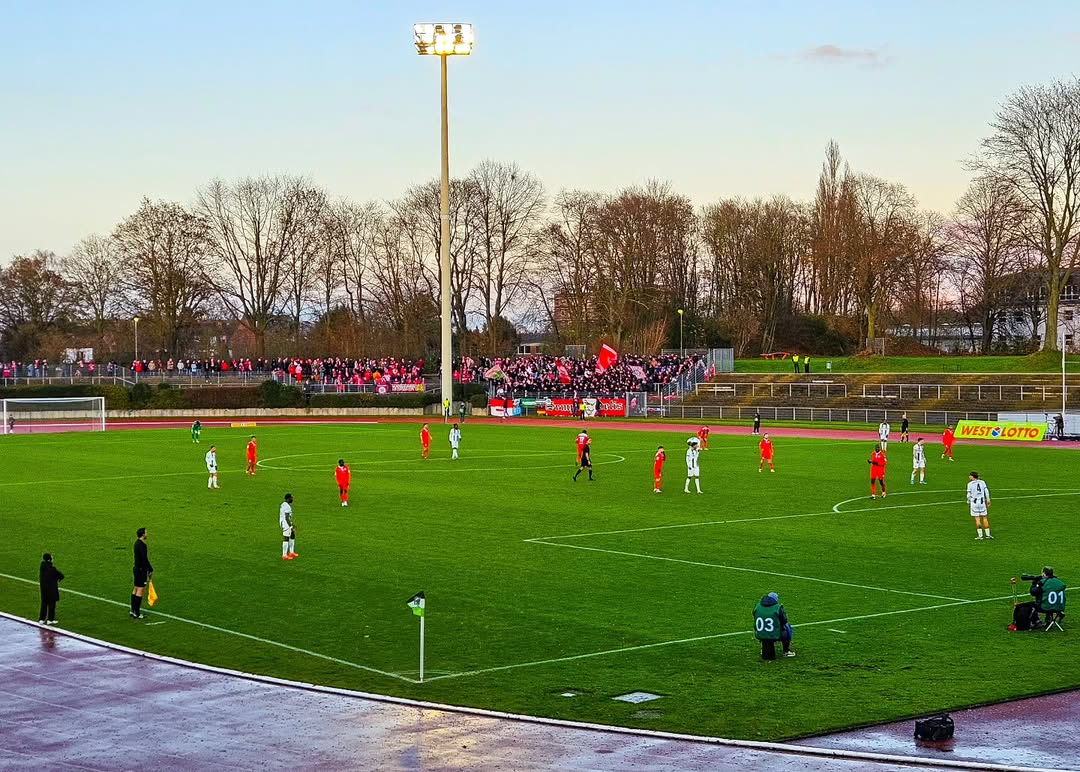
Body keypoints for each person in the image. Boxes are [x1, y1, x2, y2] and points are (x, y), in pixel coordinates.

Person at [753, 591, 795, 660]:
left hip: (760, 634)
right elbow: (784, 621)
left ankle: (763, 648)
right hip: (774, 634)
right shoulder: (777, 608)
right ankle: (786, 651)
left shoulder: (758, 606)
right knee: (787, 628)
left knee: (763, 631)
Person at [131, 527, 152, 619]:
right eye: (146, 533)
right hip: (141, 570)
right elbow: (144, 559)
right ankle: (137, 612)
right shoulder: (142, 545)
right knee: (140, 590)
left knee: (135, 588)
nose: (147, 534)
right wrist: (150, 569)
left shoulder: (136, 543)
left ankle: (133, 610)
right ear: (143, 534)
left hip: (136, 568)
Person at [38, 553, 64, 625]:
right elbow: (61, 575)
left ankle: (41, 619)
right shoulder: (52, 569)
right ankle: (50, 619)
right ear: (49, 559)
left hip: (43, 589)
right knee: (52, 604)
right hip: (51, 589)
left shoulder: (42, 566)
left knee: (44, 603)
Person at [967, 471, 992, 539]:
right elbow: (986, 491)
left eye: (970, 475)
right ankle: (988, 535)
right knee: (984, 517)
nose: (969, 477)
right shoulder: (982, 482)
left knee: (977, 519)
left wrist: (968, 501)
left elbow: (969, 494)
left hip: (974, 503)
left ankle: (980, 536)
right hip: (982, 502)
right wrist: (988, 500)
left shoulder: (970, 484)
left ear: (973, 476)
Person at [280, 493, 297, 560]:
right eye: (291, 498)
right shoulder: (287, 506)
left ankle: (291, 552)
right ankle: (284, 555)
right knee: (286, 538)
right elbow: (287, 517)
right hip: (285, 523)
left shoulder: (283, 504)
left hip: (286, 522)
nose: (292, 499)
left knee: (292, 535)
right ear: (288, 498)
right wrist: (290, 526)